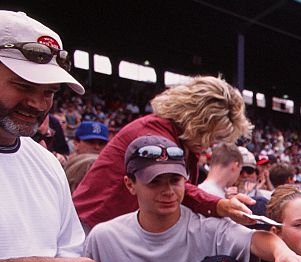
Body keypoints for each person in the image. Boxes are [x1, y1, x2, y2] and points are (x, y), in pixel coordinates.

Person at [83, 136, 301, 262]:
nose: (168, 191)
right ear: (130, 184)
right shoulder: (104, 238)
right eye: (155, 182)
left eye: (175, 180)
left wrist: (280, 251)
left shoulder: (206, 227)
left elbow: (256, 240)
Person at [0, 10, 106, 262]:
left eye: (48, 92)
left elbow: (67, 257)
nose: (37, 103)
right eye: (23, 85)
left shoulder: (47, 163)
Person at [73, 75, 255, 230]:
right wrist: (220, 205)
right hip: (91, 224)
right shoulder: (152, 132)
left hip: (118, 228)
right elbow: (175, 188)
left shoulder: (186, 142)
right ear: (196, 119)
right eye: (207, 134)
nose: (208, 144)